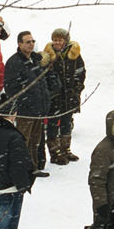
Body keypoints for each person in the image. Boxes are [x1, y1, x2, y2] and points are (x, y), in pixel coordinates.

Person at [1, 31, 52, 176]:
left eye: (32, 41)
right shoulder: (14, 62)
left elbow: (42, 82)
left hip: (39, 109)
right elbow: (11, 88)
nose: (31, 44)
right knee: (23, 141)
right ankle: (20, 169)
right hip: (26, 110)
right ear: (20, 44)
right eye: (27, 42)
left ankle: (32, 167)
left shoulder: (35, 60)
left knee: (35, 141)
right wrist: (25, 102)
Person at [40, 28, 85, 166]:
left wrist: (77, 87)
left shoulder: (74, 55)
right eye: (55, 40)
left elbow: (81, 72)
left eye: (60, 40)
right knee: (53, 124)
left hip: (69, 96)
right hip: (55, 97)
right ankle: (55, 153)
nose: (57, 42)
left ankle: (66, 149)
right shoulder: (47, 56)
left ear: (65, 41)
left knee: (66, 123)